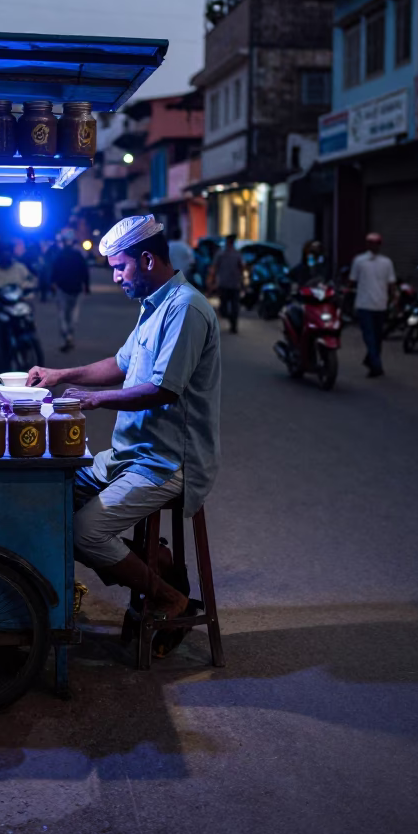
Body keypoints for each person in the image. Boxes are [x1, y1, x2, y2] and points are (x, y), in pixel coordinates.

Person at [27, 214, 221, 634]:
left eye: (120, 267)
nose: (115, 277)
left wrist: (94, 400)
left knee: (84, 532)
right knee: (48, 495)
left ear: (147, 260)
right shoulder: (152, 306)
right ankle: (160, 562)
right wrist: (62, 375)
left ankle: (172, 598)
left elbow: (163, 390)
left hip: (166, 464)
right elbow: (119, 364)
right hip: (127, 456)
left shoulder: (185, 308)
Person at [350, 232, 396, 378]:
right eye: (371, 243)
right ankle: (376, 365)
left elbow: (391, 283)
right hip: (365, 304)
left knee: (376, 337)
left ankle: (371, 361)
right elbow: (352, 280)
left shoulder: (386, 262)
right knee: (371, 336)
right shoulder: (359, 261)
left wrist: (394, 298)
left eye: (375, 243)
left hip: (379, 304)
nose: (373, 246)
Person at [50, 229, 90, 352]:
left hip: (63, 288)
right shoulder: (78, 255)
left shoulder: (59, 255)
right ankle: (69, 336)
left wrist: (53, 284)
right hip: (75, 288)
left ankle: (66, 336)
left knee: (63, 315)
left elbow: (53, 271)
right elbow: (85, 271)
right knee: (73, 315)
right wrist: (86, 286)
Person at [209, 234, 244, 332]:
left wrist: (242, 281)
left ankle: (233, 325)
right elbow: (214, 268)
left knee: (234, 306)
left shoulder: (237, 254)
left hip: (233, 284)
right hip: (224, 284)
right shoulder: (221, 254)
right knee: (224, 308)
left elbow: (241, 268)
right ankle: (231, 319)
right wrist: (212, 280)